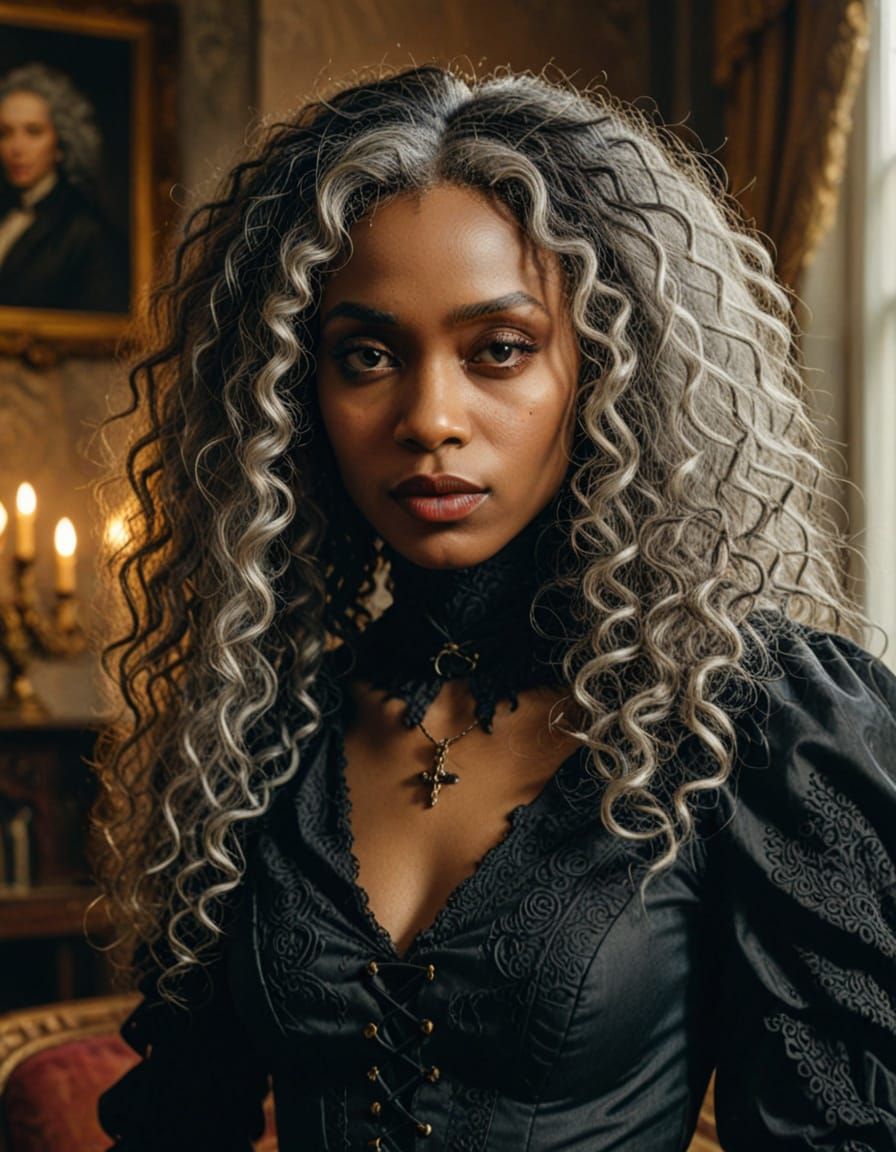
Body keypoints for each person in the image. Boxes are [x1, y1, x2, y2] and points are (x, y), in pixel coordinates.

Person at [93, 65, 896, 1151]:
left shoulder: (750, 722)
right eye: (367, 355)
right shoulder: (262, 726)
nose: (430, 417)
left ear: (607, 368)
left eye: (499, 350)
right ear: (296, 391)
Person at [0, 62, 128, 312]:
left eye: (33, 132)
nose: (16, 148)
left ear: (60, 143)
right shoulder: (8, 213)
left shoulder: (85, 229)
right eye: (5, 133)